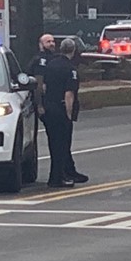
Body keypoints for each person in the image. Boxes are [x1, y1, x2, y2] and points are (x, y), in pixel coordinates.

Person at [41, 38, 86, 188]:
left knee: (54, 145)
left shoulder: (51, 65)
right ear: (73, 51)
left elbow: (45, 87)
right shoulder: (70, 69)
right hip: (61, 110)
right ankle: (57, 178)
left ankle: (64, 173)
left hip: (49, 108)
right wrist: (69, 114)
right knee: (62, 145)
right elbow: (69, 94)